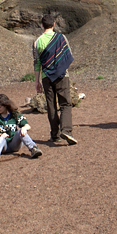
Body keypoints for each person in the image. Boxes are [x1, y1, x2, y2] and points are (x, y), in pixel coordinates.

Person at [32, 13, 79, 146]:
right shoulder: (61, 37)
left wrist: (37, 81)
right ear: (54, 24)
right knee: (65, 103)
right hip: (61, 76)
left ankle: (55, 135)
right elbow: (67, 53)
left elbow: (36, 62)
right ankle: (67, 131)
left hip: (46, 77)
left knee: (51, 106)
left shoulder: (37, 42)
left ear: (42, 25)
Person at [0, 94, 42, 163]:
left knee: (21, 131)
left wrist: (24, 128)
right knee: (1, 138)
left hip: (14, 144)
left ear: (5, 106)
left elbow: (27, 125)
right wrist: (0, 135)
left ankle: (33, 149)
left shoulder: (14, 113)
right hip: (3, 144)